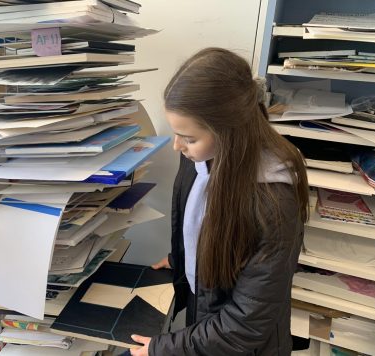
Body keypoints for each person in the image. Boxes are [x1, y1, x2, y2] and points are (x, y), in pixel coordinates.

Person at [129, 47, 309, 356]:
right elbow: (200, 223)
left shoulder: (273, 205)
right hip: (208, 325)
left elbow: (246, 325)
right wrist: (179, 259)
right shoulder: (201, 157)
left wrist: (165, 349)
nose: (176, 146)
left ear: (229, 133)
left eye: (189, 138)